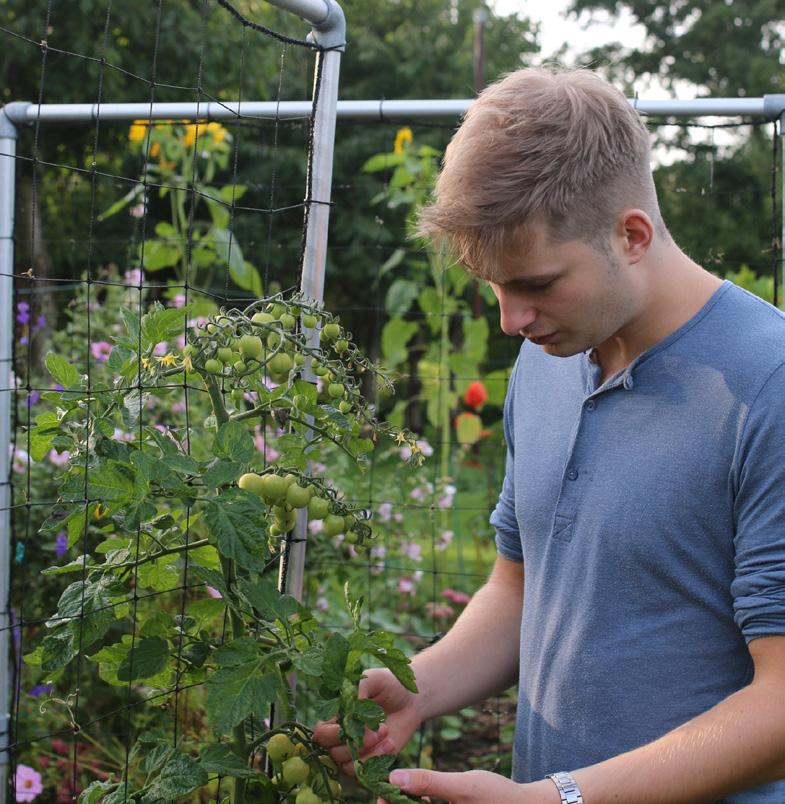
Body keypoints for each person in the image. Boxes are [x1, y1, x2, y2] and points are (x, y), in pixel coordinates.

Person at [314, 66, 785, 803]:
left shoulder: (769, 387)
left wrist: (560, 797)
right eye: (493, 287)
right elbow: (521, 585)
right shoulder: (547, 357)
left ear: (630, 234)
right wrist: (421, 687)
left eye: (533, 284)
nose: (510, 320)